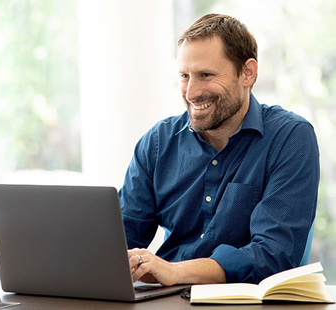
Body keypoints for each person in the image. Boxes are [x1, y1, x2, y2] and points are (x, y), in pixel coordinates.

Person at [120, 13, 319, 285]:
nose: (190, 92)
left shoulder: (289, 137)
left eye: (205, 75)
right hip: (167, 299)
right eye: (184, 76)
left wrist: (175, 272)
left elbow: (274, 254)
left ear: (247, 73)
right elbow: (118, 241)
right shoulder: (158, 143)